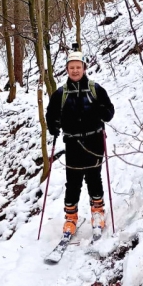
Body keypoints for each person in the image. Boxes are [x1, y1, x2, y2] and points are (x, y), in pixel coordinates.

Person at [45, 45, 115, 238]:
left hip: (94, 142)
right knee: (73, 182)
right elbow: (50, 115)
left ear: (84, 68)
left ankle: (98, 212)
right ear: (67, 70)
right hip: (73, 145)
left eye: (78, 67)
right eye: (71, 67)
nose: (75, 70)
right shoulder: (60, 94)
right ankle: (70, 218)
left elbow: (109, 110)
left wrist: (104, 113)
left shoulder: (96, 89)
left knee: (94, 179)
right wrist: (53, 126)